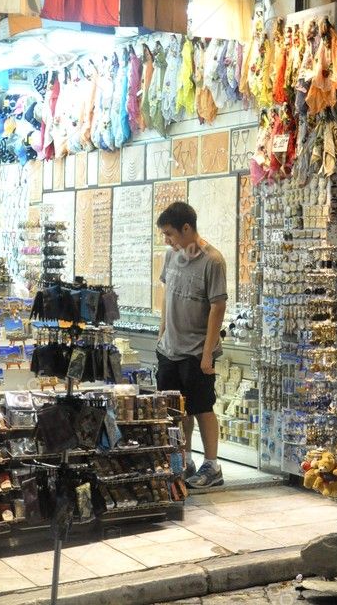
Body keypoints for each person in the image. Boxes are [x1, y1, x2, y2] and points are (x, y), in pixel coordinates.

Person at [155, 201, 227, 488]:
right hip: (169, 349)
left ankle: (212, 466)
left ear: (187, 228)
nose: (167, 240)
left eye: (170, 234)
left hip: (197, 351)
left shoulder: (212, 261)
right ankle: (184, 460)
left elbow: (218, 308)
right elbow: (166, 298)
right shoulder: (171, 257)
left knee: (202, 407)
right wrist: (161, 335)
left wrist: (207, 353)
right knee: (177, 409)